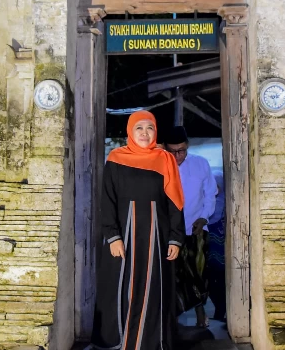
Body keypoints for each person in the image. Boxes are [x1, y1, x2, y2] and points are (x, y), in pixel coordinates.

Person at [91, 111, 186, 350]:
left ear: (156, 132)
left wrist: (175, 238)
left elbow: (175, 202)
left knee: (153, 289)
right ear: (130, 131)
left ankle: (150, 343)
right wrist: (112, 236)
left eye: (150, 128)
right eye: (139, 128)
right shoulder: (115, 158)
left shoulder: (165, 159)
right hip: (124, 236)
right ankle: (120, 341)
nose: (145, 133)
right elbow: (108, 200)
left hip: (157, 237)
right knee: (121, 288)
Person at [165, 126, 217, 328]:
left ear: (187, 147)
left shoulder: (200, 164)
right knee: (174, 276)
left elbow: (210, 194)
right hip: (168, 232)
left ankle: (200, 313)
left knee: (199, 274)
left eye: (182, 150)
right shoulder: (159, 166)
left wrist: (204, 218)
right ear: (165, 148)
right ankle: (172, 320)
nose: (178, 155)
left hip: (196, 229)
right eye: (173, 151)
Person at [206, 170, 226, 322]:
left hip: (219, 232)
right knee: (210, 277)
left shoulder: (217, 177)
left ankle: (221, 310)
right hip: (208, 230)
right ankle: (220, 309)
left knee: (220, 275)